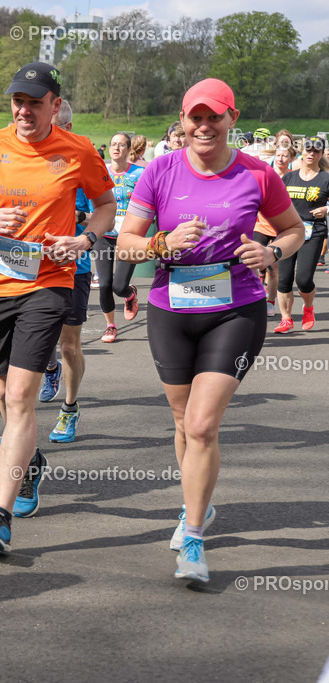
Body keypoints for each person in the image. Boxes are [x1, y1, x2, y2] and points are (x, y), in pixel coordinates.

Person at [117, 78, 303, 584]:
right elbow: (125, 245)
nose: (203, 125)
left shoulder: (257, 173)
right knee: (182, 422)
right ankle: (195, 504)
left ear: (231, 119)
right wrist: (162, 242)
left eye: (213, 116)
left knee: (201, 425)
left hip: (235, 308)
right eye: (194, 116)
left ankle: (194, 541)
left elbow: (293, 228)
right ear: (183, 120)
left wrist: (273, 253)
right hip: (171, 307)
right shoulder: (160, 171)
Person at [0, 61, 116, 553]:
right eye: (18, 101)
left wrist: (85, 240)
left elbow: (106, 205)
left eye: (35, 102)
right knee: (6, 399)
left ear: (55, 106)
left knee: (21, 398)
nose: (24, 110)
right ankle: (32, 463)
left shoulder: (77, 149)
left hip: (48, 284)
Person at [45, 100, 95, 443]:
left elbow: (105, 212)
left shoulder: (83, 160)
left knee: (68, 345)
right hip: (32, 263)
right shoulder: (29, 157)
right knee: (27, 341)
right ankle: (20, 427)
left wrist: (79, 222)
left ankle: (69, 409)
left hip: (74, 266)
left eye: (56, 127)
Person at [274, 137, 329, 333]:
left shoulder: (325, 178)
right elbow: (274, 203)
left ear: (321, 154)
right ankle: (286, 319)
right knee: (284, 279)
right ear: (302, 152)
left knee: (304, 280)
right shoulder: (289, 177)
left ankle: (308, 308)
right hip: (287, 232)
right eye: (308, 150)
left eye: (316, 151)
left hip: (313, 232)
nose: (311, 154)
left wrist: (326, 209)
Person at [95, 132, 146, 343]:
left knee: (118, 286)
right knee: (105, 284)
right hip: (104, 234)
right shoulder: (100, 172)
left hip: (128, 236)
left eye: (121, 145)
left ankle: (129, 294)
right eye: (113, 144)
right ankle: (110, 326)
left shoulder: (139, 174)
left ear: (128, 149)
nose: (116, 148)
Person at [253, 144, 296, 316]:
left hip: (281, 228)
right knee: (252, 262)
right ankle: (255, 297)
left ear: (291, 159)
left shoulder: (293, 179)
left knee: (274, 268)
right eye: (278, 155)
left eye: (285, 156)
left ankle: (270, 302)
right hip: (261, 225)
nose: (280, 159)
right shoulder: (265, 174)